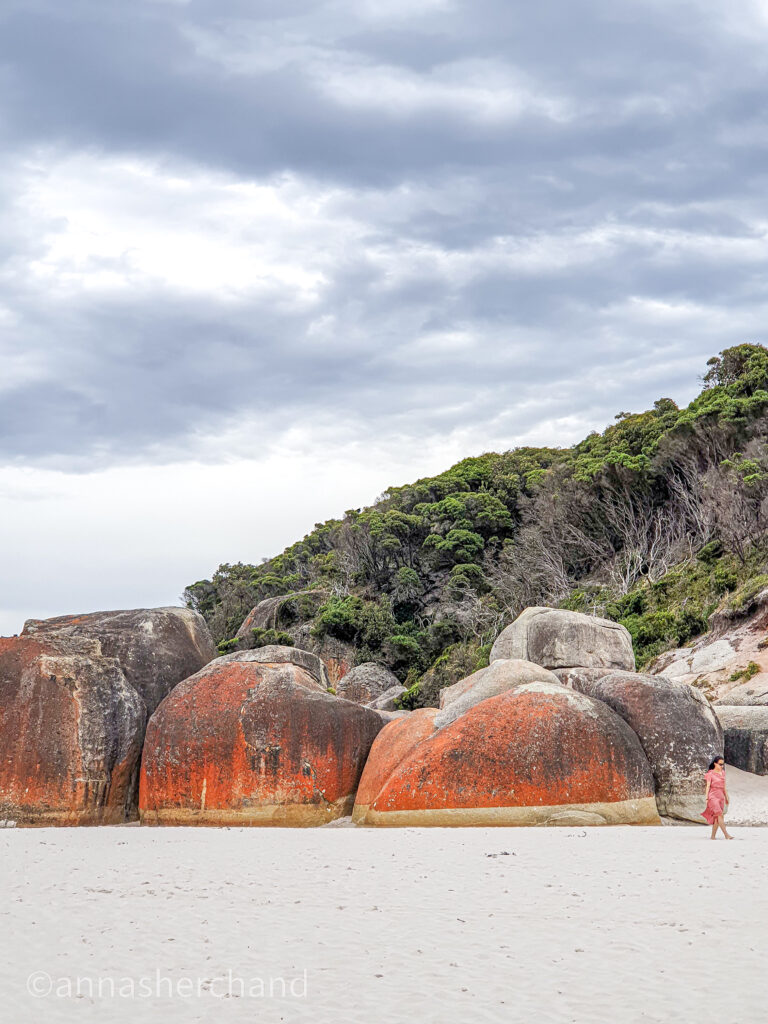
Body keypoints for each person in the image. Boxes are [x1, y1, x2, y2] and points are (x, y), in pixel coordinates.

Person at [702, 756, 733, 839]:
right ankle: (726, 835)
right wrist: (707, 798)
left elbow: (724, 786)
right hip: (713, 796)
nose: (722, 766)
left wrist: (726, 797)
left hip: (721, 797)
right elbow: (708, 787)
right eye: (720, 764)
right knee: (720, 815)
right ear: (715, 764)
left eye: (723, 764)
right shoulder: (710, 774)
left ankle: (712, 836)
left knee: (717, 818)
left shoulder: (723, 773)